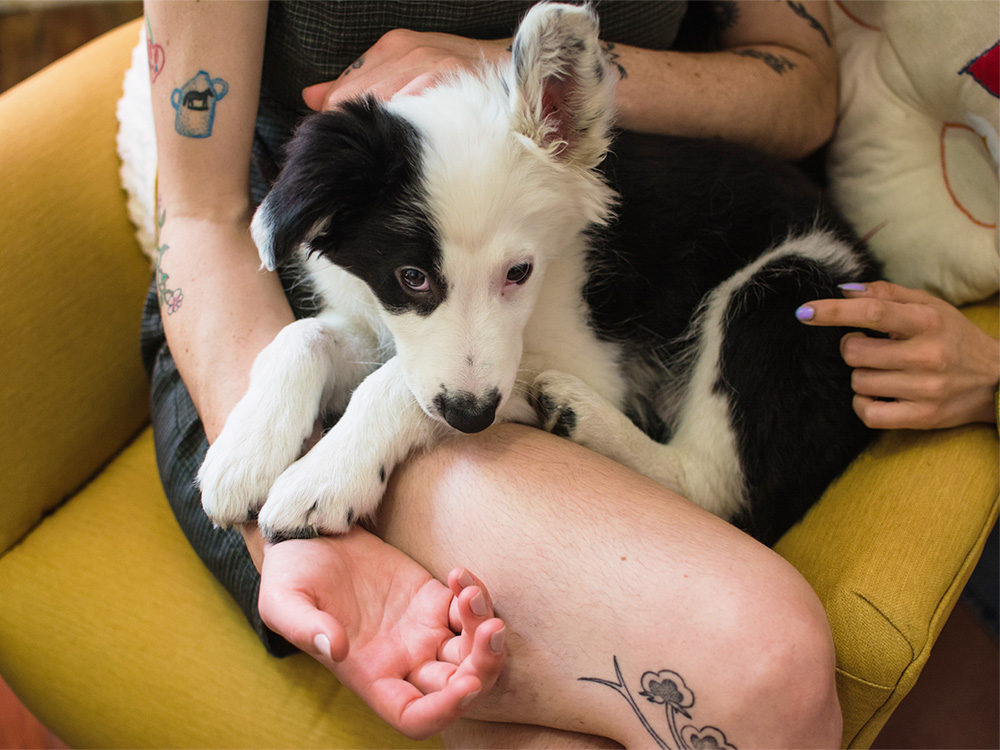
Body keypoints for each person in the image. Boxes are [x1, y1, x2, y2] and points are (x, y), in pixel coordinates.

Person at [141, 1, 856, 746]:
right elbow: (199, 213)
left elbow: (802, 80)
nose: (472, 380)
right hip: (244, 310)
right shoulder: (358, 207)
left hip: (744, 324)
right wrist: (281, 451)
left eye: (515, 273)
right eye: (419, 279)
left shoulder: (540, 190)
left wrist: (508, 78)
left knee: (761, 677)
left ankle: (683, 482)